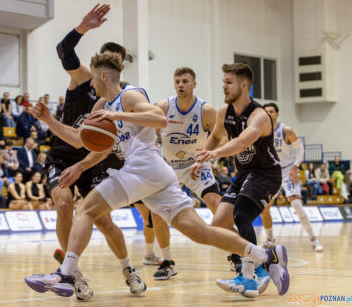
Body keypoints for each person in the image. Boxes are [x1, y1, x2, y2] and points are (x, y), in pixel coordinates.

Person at [25, 54, 290, 300]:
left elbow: (159, 120)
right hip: (157, 175)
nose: (91, 83)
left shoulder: (131, 95)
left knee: (86, 210)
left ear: (104, 76)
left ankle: (66, 274)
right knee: (199, 232)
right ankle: (265, 256)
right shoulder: (100, 105)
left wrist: (117, 115)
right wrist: (49, 120)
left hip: (144, 167)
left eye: (93, 77)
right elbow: (81, 139)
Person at [31, 5, 146, 301]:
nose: (111, 70)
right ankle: (73, 275)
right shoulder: (83, 78)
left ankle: (128, 269)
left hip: (94, 159)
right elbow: (64, 49)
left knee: (105, 221)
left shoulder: (125, 95)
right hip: (63, 153)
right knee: (63, 203)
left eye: (117, 65)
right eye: (108, 64)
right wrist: (82, 26)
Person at [188, 63, 289, 297]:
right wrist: (201, 158)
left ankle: (247, 278)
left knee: (241, 214)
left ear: (244, 85)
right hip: (245, 174)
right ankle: (267, 260)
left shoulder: (259, 116)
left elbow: (243, 142)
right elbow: (215, 136)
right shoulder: (225, 112)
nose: (224, 86)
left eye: (229, 82)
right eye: (223, 82)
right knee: (218, 225)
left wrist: (214, 154)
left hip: (266, 173)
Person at [150, 67, 222, 280]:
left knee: (217, 204)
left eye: (185, 81)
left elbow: (221, 136)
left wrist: (207, 154)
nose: (181, 85)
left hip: (195, 165)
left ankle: (236, 256)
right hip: (168, 167)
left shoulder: (206, 111)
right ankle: (167, 261)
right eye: (177, 82)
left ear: (194, 84)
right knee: (157, 212)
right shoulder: (163, 107)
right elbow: (148, 133)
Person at [260, 103, 323, 252]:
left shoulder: (286, 131)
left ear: (277, 113)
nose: (268, 113)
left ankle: (314, 239)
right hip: (271, 174)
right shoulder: (261, 132)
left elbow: (300, 150)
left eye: (271, 111)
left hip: (288, 172)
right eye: (265, 111)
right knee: (264, 208)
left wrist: (295, 167)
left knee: (296, 205)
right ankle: (270, 239)